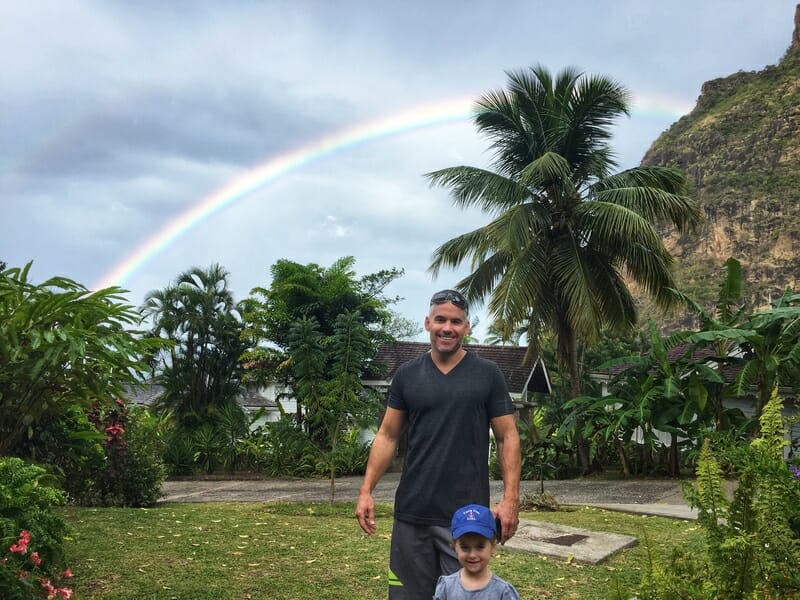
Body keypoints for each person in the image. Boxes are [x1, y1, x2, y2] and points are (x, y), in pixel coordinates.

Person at [355, 289, 521, 599]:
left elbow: (507, 436)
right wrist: (366, 491)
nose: (448, 327)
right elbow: (388, 435)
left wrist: (511, 498)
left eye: (456, 321)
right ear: (428, 323)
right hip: (411, 514)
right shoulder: (407, 376)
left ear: (467, 327)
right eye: (441, 320)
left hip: (466, 519)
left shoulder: (487, 375)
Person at [434, 504, 521, 599]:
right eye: (465, 547)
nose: (472, 555)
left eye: (480, 547)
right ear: (455, 547)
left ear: (492, 546)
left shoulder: (503, 592)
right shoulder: (446, 586)